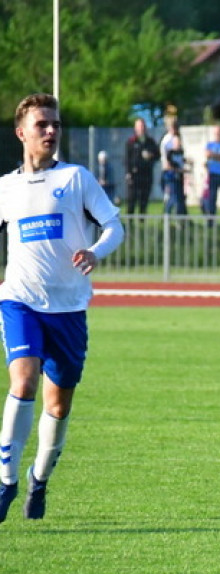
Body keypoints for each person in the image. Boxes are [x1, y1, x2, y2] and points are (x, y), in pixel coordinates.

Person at [0, 93, 124, 522]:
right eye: (42, 125)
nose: (51, 131)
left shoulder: (75, 178)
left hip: (69, 309)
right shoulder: (6, 187)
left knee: (57, 406)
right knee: (24, 378)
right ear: (22, 133)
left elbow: (114, 225)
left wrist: (94, 252)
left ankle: (39, 479)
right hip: (19, 301)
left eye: (55, 124)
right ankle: (6, 481)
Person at [122, 117, 158, 214]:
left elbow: (157, 155)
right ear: (135, 128)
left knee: (144, 198)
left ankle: (142, 220)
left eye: (142, 126)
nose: (141, 128)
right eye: (139, 126)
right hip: (134, 175)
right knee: (132, 198)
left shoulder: (150, 142)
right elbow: (127, 159)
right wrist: (128, 173)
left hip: (146, 175)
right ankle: (130, 221)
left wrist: (150, 155)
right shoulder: (131, 142)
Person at [161, 134, 187, 214]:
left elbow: (182, 162)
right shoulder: (170, 152)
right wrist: (178, 170)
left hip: (179, 178)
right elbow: (167, 165)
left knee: (180, 198)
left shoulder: (181, 152)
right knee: (172, 198)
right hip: (171, 178)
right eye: (176, 142)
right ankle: (166, 215)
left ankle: (179, 219)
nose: (178, 143)